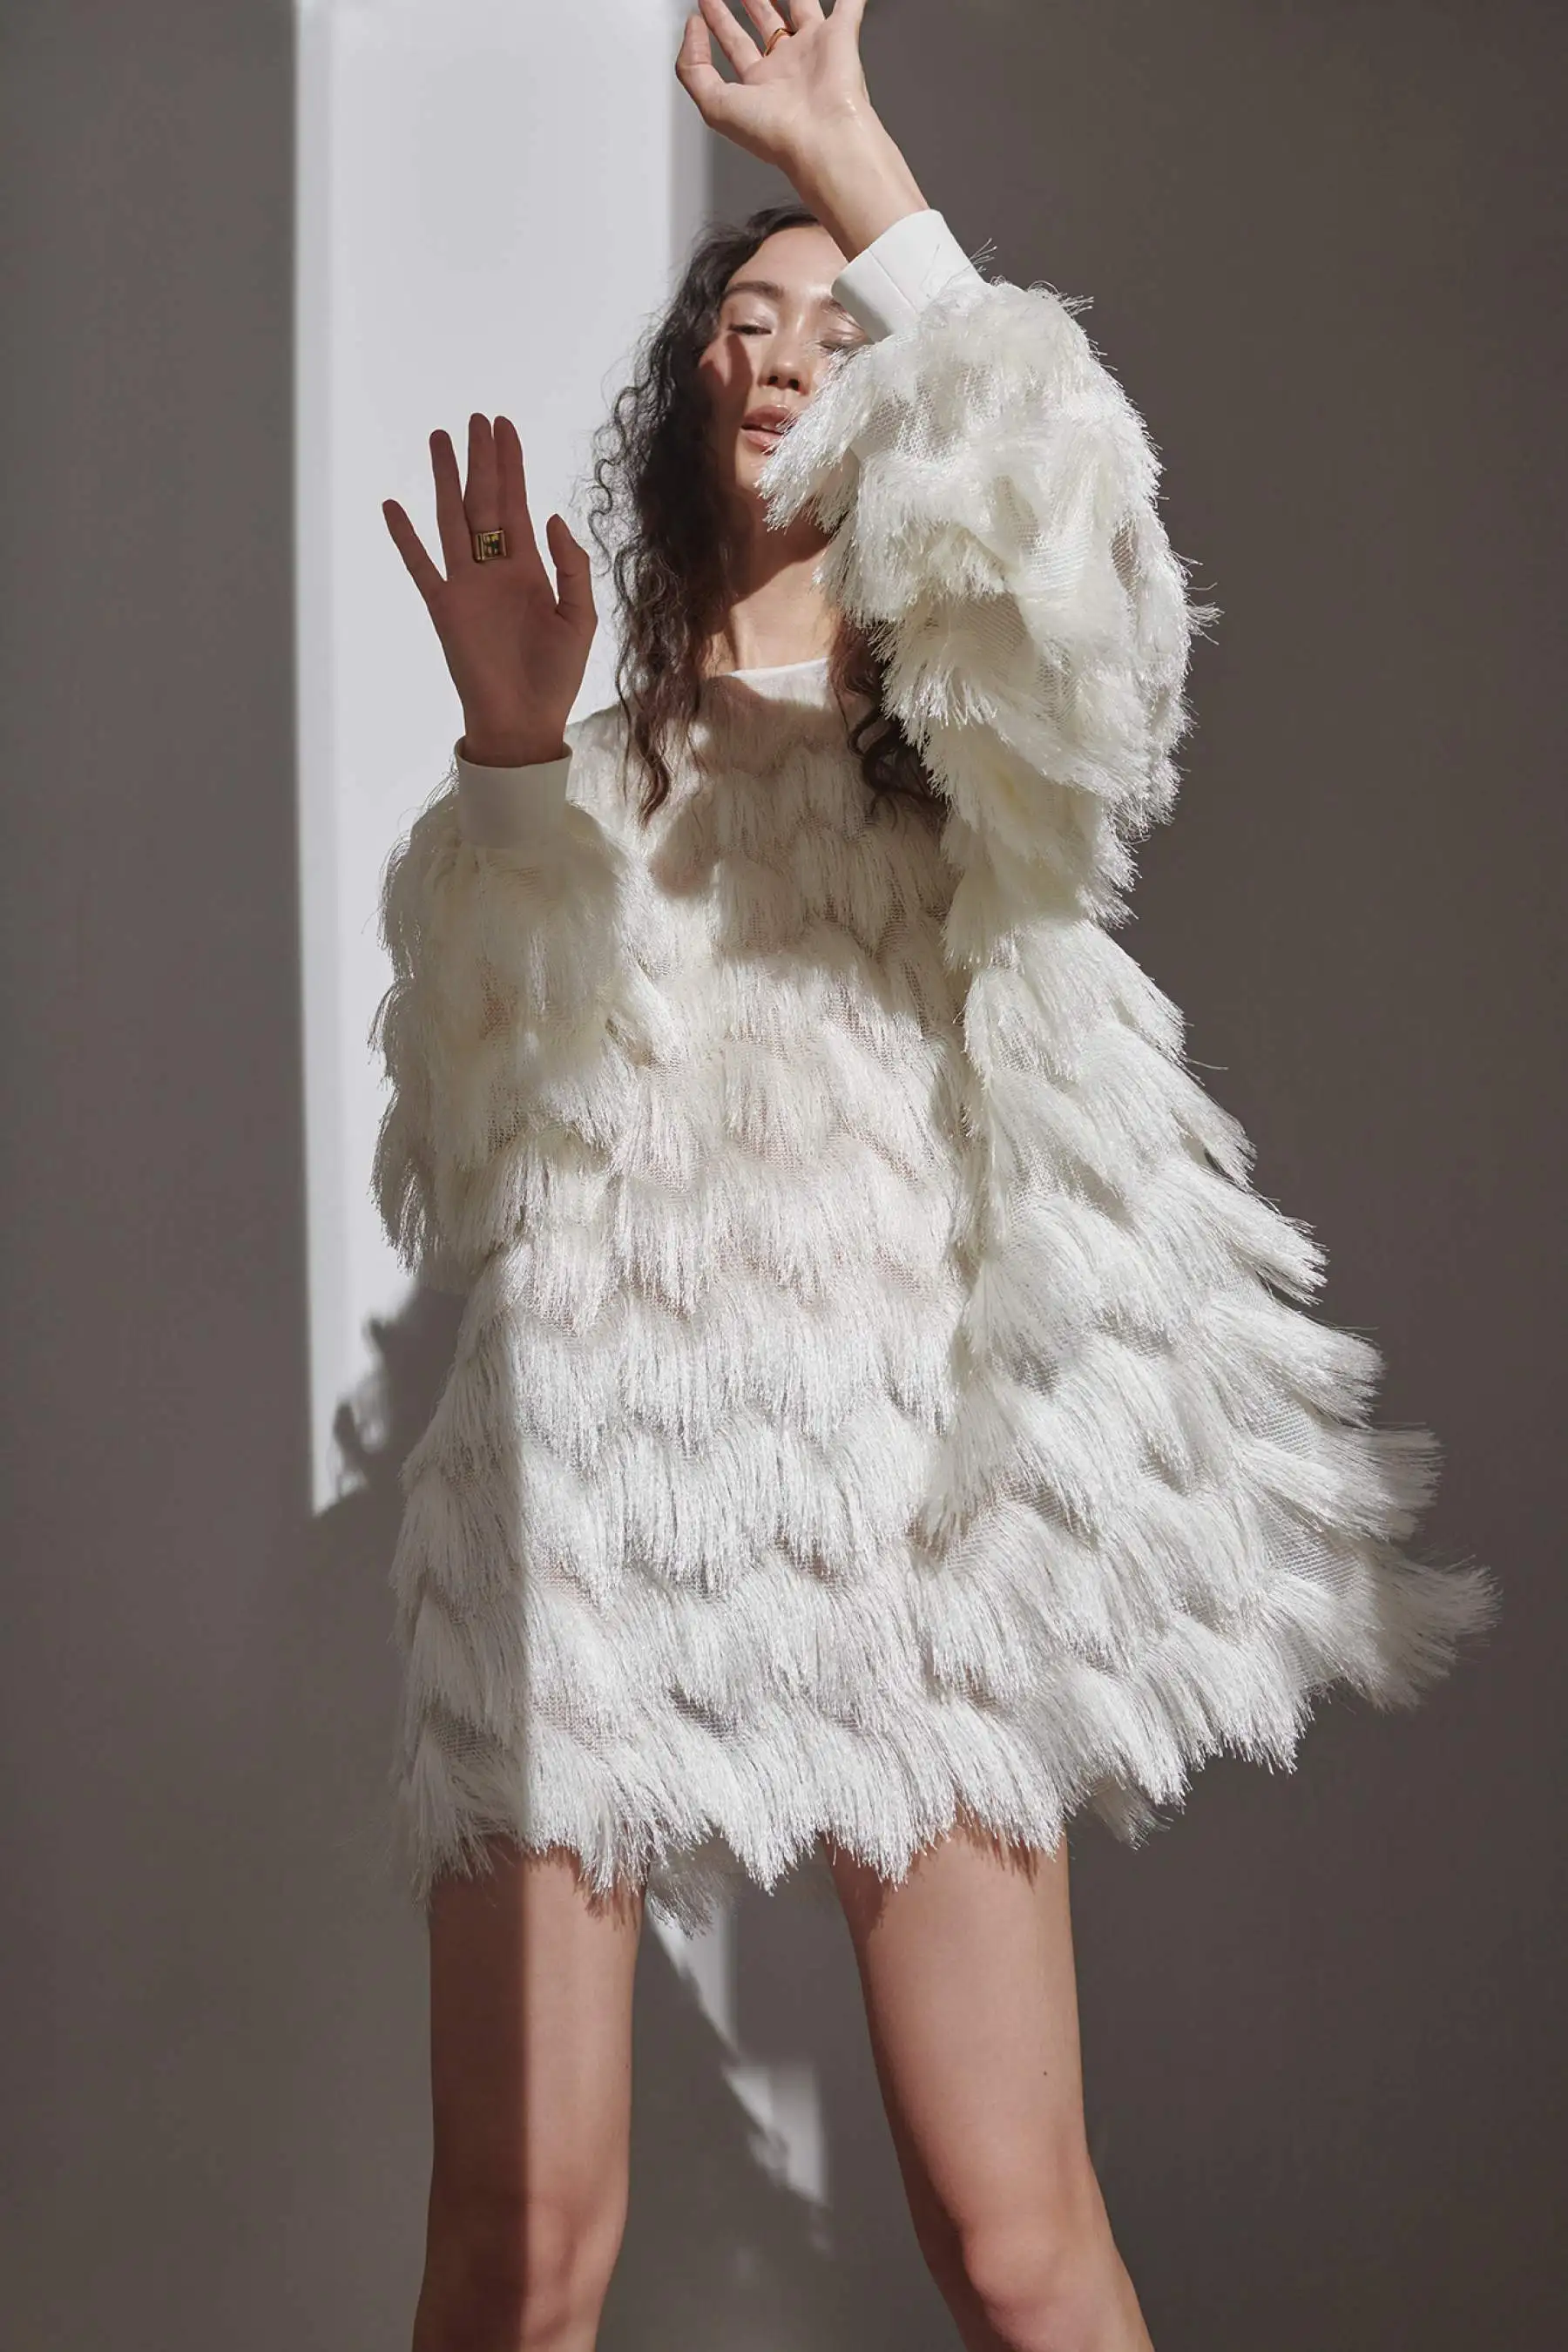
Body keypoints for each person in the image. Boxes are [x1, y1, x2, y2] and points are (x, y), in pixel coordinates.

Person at [372, 5, 1497, 2348]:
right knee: (518, 2256)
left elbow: (1084, 549)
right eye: (744, 319)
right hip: (574, 1498)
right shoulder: (582, 749)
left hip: (893, 1509)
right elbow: (473, 1156)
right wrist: (508, 751)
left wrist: (850, 156)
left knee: (1014, 2232)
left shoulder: (981, 751)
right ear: (685, 398)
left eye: (838, 320)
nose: (785, 349)